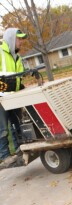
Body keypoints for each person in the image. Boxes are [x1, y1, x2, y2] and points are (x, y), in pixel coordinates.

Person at [0, 28, 27, 166]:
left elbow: (18, 77)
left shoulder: (17, 56)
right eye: (19, 39)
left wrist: (21, 86)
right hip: (1, 98)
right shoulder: (0, 52)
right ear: (11, 39)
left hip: (14, 97)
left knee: (17, 123)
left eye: (22, 39)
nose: (21, 41)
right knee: (3, 128)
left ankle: (19, 150)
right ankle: (5, 157)